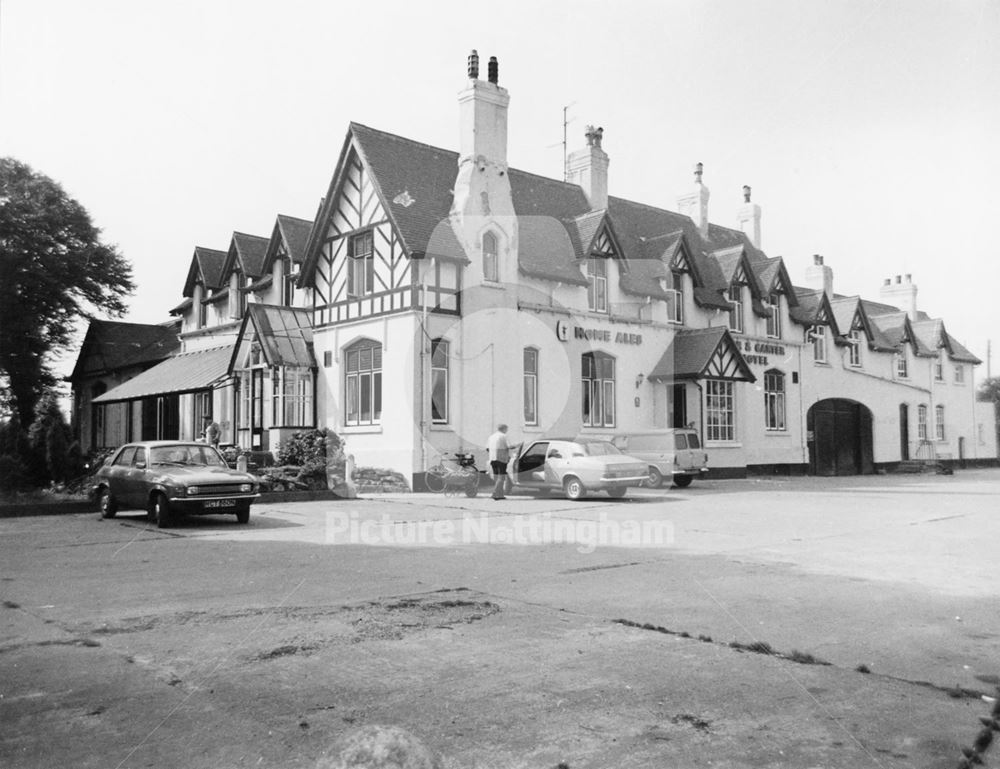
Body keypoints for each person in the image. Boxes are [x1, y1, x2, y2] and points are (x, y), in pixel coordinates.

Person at [486, 423, 510, 500]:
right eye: (506, 429)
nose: (507, 431)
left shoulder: (491, 437)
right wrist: (518, 445)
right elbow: (509, 446)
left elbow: (487, 448)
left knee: (497, 477)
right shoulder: (503, 436)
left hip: (492, 459)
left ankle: (500, 494)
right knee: (501, 477)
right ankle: (495, 493)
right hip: (501, 459)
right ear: (504, 429)